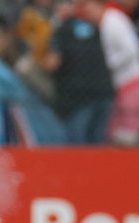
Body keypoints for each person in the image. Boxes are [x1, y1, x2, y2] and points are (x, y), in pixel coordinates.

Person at [46, 0, 116, 142]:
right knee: (97, 148)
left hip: (77, 98)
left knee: (77, 151)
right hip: (103, 92)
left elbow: (52, 63)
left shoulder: (62, 30)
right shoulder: (96, 24)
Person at [99, 0, 139, 143]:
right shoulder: (111, 18)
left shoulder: (112, 20)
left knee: (130, 135)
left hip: (133, 82)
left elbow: (132, 50)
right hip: (124, 85)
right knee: (114, 133)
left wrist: (108, 64)